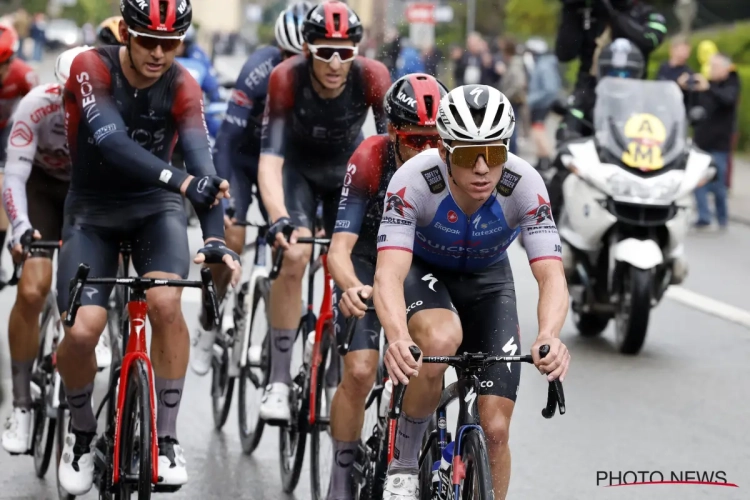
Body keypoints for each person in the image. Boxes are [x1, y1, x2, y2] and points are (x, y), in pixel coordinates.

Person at [54, 0, 240, 494]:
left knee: (164, 303)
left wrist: (216, 237)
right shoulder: (91, 66)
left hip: (155, 211)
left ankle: (166, 440)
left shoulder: (183, 84)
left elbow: (201, 159)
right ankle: (80, 436)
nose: (159, 53)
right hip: (92, 212)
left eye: (170, 42)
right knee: (82, 330)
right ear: (127, 35)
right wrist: (182, 183)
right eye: (148, 41)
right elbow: (111, 141)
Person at [373, 84, 570, 500]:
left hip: (488, 280)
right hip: (425, 272)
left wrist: (550, 334)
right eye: (466, 154)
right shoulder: (414, 180)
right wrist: (397, 338)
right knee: (441, 339)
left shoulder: (524, 184)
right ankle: (404, 463)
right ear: (444, 152)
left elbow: (551, 275)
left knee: (496, 429)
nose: (482, 168)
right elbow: (388, 275)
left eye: (494, 153)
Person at [257, 0, 391, 424]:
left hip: (347, 174)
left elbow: (395, 154)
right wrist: (278, 215)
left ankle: (362, 354)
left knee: (354, 260)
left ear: (357, 51)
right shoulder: (286, 77)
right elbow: (271, 161)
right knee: (295, 254)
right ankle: (278, 380)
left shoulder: (373, 77)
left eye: (345, 52)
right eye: (323, 51)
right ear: (307, 49)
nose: (334, 63)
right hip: (297, 173)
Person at [326, 73, 447, 500]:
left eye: (436, 140)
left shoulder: (454, 162)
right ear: (392, 132)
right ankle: (340, 482)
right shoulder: (370, 156)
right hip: (367, 258)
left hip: (417, 264)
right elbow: (339, 249)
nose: (428, 152)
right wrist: (352, 286)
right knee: (359, 371)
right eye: (415, 140)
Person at [0, 46, 116, 455]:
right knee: (32, 289)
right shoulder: (36, 105)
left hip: (90, 197)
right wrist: (21, 229)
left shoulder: (115, 107)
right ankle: (20, 405)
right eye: (71, 96)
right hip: (44, 190)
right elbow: (14, 174)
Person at [191, 1, 313, 375]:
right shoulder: (258, 69)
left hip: (285, 166)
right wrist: (225, 205)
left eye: (303, 57)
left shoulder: (325, 75)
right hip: (244, 160)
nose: (297, 64)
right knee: (234, 232)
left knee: (299, 243)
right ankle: (209, 321)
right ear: (280, 51)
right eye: (290, 56)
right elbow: (226, 137)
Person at [549, 38, 645, 221]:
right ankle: (544, 225)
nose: (619, 78)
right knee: (563, 172)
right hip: (593, 160)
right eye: (613, 72)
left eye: (626, 74)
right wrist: (569, 135)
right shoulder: (588, 92)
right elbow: (571, 118)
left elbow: (659, 128)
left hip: (631, 160)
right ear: (602, 70)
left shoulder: (645, 101)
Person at [556, 0, 667, 141]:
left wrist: (612, 13)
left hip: (633, 98)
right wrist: (571, 10)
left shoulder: (647, 13)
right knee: (569, 138)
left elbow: (649, 40)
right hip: (589, 93)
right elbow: (565, 54)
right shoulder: (588, 11)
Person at [0, 23, 39, 283]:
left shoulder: (24, 75)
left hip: (8, 130)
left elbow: (37, 116)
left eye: (1, 67)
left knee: (2, 182)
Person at [685, 53, 740, 229]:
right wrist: (687, 88)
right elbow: (693, 108)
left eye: (715, 66)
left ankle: (722, 218)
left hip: (720, 143)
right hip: (701, 141)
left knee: (718, 184)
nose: (712, 69)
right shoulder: (706, 85)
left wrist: (708, 88)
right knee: (698, 181)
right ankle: (704, 216)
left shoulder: (732, 83)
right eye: (711, 66)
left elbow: (727, 99)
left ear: (725, 68)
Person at [525, 38, 561, 171]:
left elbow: (550, 89)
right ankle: (541, 159)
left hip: (542, 104)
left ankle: (546, 159)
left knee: (538, 132)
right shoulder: (541, 64)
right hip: (539, 103)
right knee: (537, 132)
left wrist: (532, 99)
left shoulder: (544, 66)